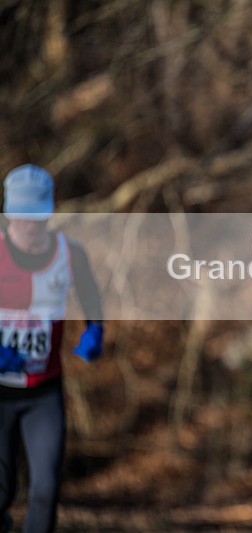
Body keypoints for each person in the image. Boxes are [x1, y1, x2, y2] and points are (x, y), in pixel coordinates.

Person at [0, 164, 104, 533]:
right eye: (24, 218)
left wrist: (95, 332)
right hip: (0, 394)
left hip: (45, 393)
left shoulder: (69, 253)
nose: (32, 227)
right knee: (1, 491)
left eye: (39, 218)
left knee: (45, 490)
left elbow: (92, 299)